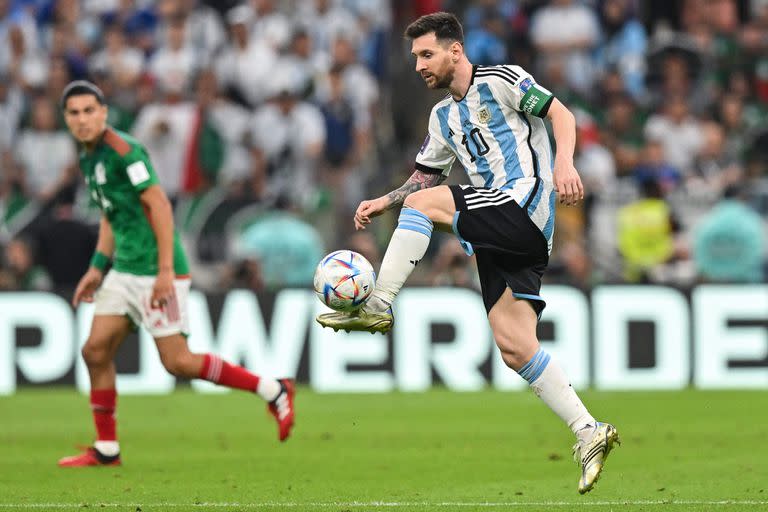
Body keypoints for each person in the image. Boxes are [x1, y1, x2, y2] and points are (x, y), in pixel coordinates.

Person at [317, 12, 619, 494]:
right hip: (500, 228)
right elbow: (425, 177)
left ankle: (378, 303)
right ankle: (588, 430)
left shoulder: (501, 80)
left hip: (522, 203)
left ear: (455, 50)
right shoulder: (441, 117)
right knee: (514, 345)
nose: (418, 65)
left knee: (425, 207)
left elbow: (561, 113)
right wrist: (386, 200)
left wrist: (565, 163)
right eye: (414, 57)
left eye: (426, 54)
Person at [57, 80, 295, 468]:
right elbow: (110, 213)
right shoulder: (89, 156)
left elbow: (160, 207)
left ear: (103, 113)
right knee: (95, 350)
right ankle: (107, 449)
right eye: (74, 113)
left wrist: (166, 271)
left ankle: (273, 389)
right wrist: (97, 268)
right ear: (66, 119)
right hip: (124, 269)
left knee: (178, 362)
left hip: (156, 270)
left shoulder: (124, 152)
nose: (82, 119)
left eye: (89, 111)